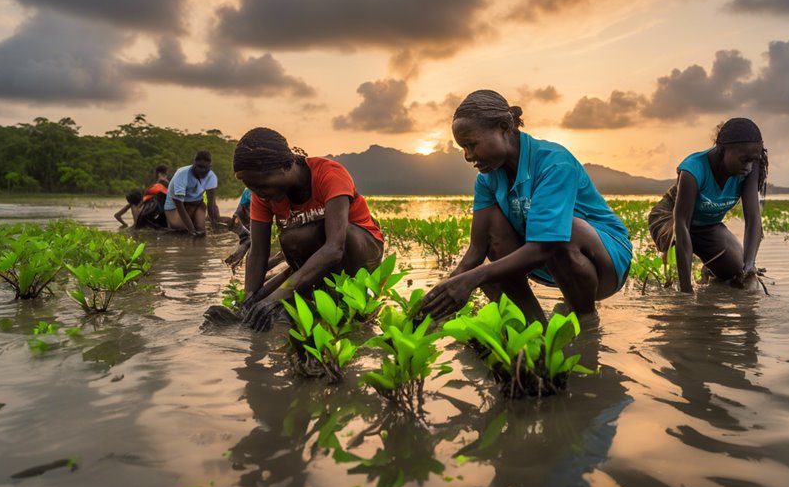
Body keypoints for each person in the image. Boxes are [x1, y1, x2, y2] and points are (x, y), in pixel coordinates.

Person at [421, 90, 633, 321]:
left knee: (564, 232)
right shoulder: (487, 179)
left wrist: (473, 278)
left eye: (471, 145)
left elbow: (545, 247)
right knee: (492, 235)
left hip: (605, 262)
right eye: (463, 148)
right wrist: (445, 292)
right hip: (546, 263)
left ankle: (585, 322)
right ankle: (534, 328)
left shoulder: (554, 163)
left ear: (503, 127)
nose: (467, 156)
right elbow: (477, 249)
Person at [232, 128, 384, 330]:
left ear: (286, 166)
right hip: (316, 261)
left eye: (263, 185)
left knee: (306, 235)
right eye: (252, 187)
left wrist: (278, 295)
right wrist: (250, 301)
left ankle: (336, 301)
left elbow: (335, 247)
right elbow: (258, 252)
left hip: (360, 250)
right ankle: (303, 295)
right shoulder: (261, 196)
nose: (259, 193)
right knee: (292, 241)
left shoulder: (329, 174)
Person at [647, 117, 767, 293]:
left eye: (753, 160)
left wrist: (749, 266)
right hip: (671, 218)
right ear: (721, 150)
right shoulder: (693, 170)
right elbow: (682, 226)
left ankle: (708, 269)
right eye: (744, 160)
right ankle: (680, 279)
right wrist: (686, 292)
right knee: (679, 248)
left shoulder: (750, 167)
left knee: (735, 271)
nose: (748, 167)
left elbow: (753, 217)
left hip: (707, 226)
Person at [165, 151, 221, 236]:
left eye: (205, 168)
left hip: (196, 204)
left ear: (210, 167)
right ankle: (173, 222)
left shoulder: (211, 177)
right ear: (194, 164)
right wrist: (191, 230)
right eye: (199, 167)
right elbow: (179, 206)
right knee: (183, 230)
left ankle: (195, 223)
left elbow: (211, 204)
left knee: (201, 230)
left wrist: (214, 225)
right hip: (175, 206)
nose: (201, 171)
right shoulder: (182, 174)